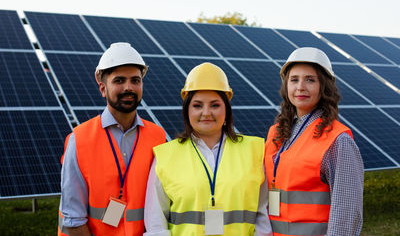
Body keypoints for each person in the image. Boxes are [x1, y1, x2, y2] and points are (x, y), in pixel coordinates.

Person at [144, 62, 273, 236]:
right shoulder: (165, 156)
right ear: (187, 110)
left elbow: (264, 217)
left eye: (215, 105)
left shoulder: (255, 150)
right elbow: (155, 225)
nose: (206, 113)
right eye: (197, 105)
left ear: (226, 109)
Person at [58, 42, 166, 236]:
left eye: (135, 80)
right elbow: (73, 220)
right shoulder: (79, 140)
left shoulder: (158, 137)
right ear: (102, 88)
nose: (129, 88)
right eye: (119, 81)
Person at [264, 47, 364, 236]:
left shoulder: (338, 140)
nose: (300, 86)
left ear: (323, 87)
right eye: (294, 80)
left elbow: (346, 215)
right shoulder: (275, 133)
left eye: (310, 79)